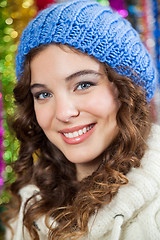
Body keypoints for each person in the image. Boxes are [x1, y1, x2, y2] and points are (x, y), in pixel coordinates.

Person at [3, 0, 160, 239]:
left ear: (128, 90)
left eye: (83, 84)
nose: (63, 113)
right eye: (43, 94)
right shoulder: (28, 204)